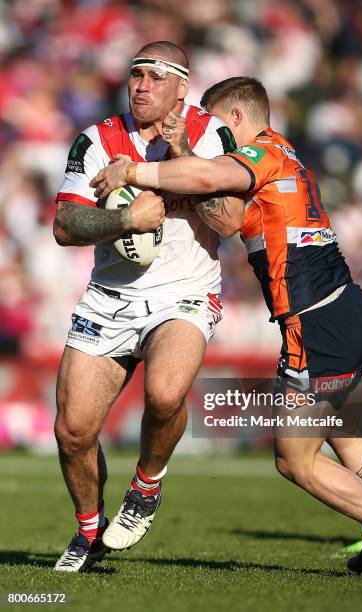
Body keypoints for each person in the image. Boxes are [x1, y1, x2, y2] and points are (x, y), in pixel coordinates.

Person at [92, 76, 362, 579]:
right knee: (344, 433)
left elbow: (208, 181)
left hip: (314, 322)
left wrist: (136, 171)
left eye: (211, 126)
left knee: (294, 460)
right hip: (347, 309)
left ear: (235, 121)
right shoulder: (281, 157)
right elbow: (227, 219)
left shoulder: (261, 152)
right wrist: (184, 147)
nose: (207, 136)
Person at [52, 42, 236, 572]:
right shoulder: (97, 140)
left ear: (183, 86)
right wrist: (123, 222)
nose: (142, 86)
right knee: (73, 431)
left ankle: (146, 485)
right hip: (110, 297)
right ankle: (89, 532)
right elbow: (65, 226)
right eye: (136, 75)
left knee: (165, 391)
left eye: (157, 77)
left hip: (185, 292)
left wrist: (180, 159)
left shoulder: (208, 134)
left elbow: (228, 221)